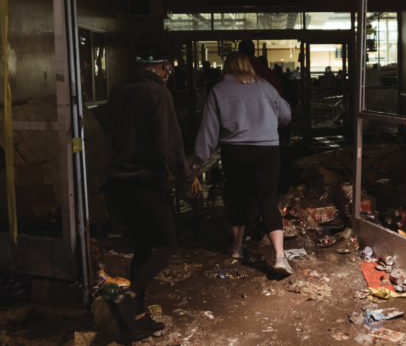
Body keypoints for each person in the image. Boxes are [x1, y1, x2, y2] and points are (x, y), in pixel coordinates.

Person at [107, 46, 201, 341]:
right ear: (160, 66)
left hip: (118, 181)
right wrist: (187, 176)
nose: (167, 72)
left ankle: (137, 319)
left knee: (143, 248)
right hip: (145, 180)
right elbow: (169, 143)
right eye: (166, 67)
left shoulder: (118, 91)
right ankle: (130, 296)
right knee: (167, 244)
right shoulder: (158, 94)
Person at [193, 52, 293, 276]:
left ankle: (236, 249)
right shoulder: (266, 87)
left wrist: (199, 159)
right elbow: (286, 115)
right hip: (267, 150)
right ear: (250, 66)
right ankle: (279, 257)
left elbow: (209, 129)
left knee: (239, 198)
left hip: (235, 151)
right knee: (267, 199)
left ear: (226, 68)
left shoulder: (219, 90)